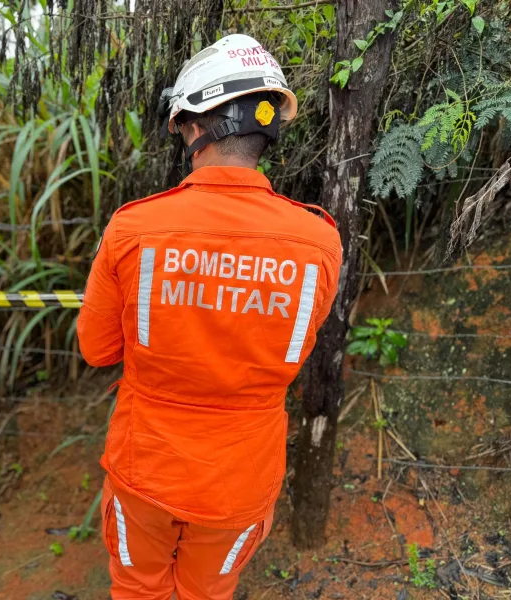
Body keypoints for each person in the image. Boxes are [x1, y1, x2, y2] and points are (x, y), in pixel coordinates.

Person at [77, 34, 343, 600]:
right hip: (241, 481)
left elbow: (96, 349)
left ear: (196, 127)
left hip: (147, 469)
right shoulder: (319, 240)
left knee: (138, 590)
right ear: (265, 129)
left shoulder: (134, 228)